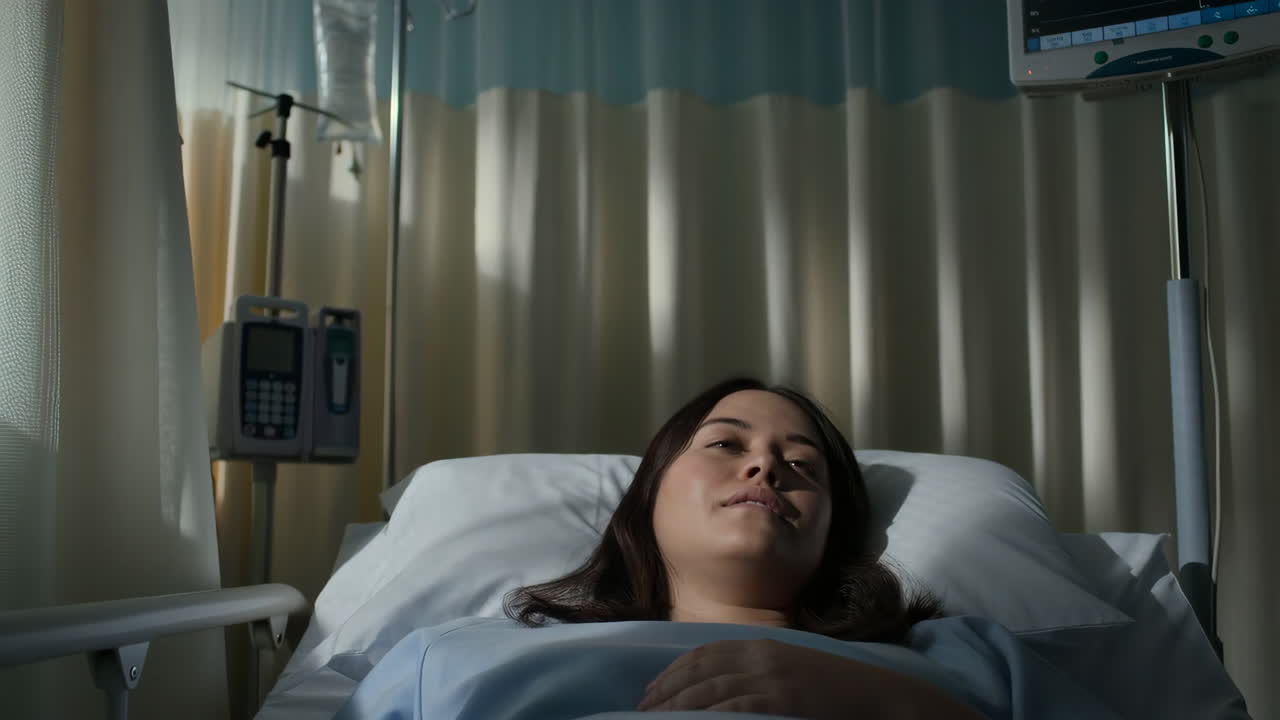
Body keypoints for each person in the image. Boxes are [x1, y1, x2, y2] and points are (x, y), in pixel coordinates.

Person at [503, 377, 986, 718]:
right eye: (725, 445)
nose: (766, 467)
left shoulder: (965, 658)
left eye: (801, 464)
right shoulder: (475, 656)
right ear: (648, 495)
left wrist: (886, 702)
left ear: (834, 530)